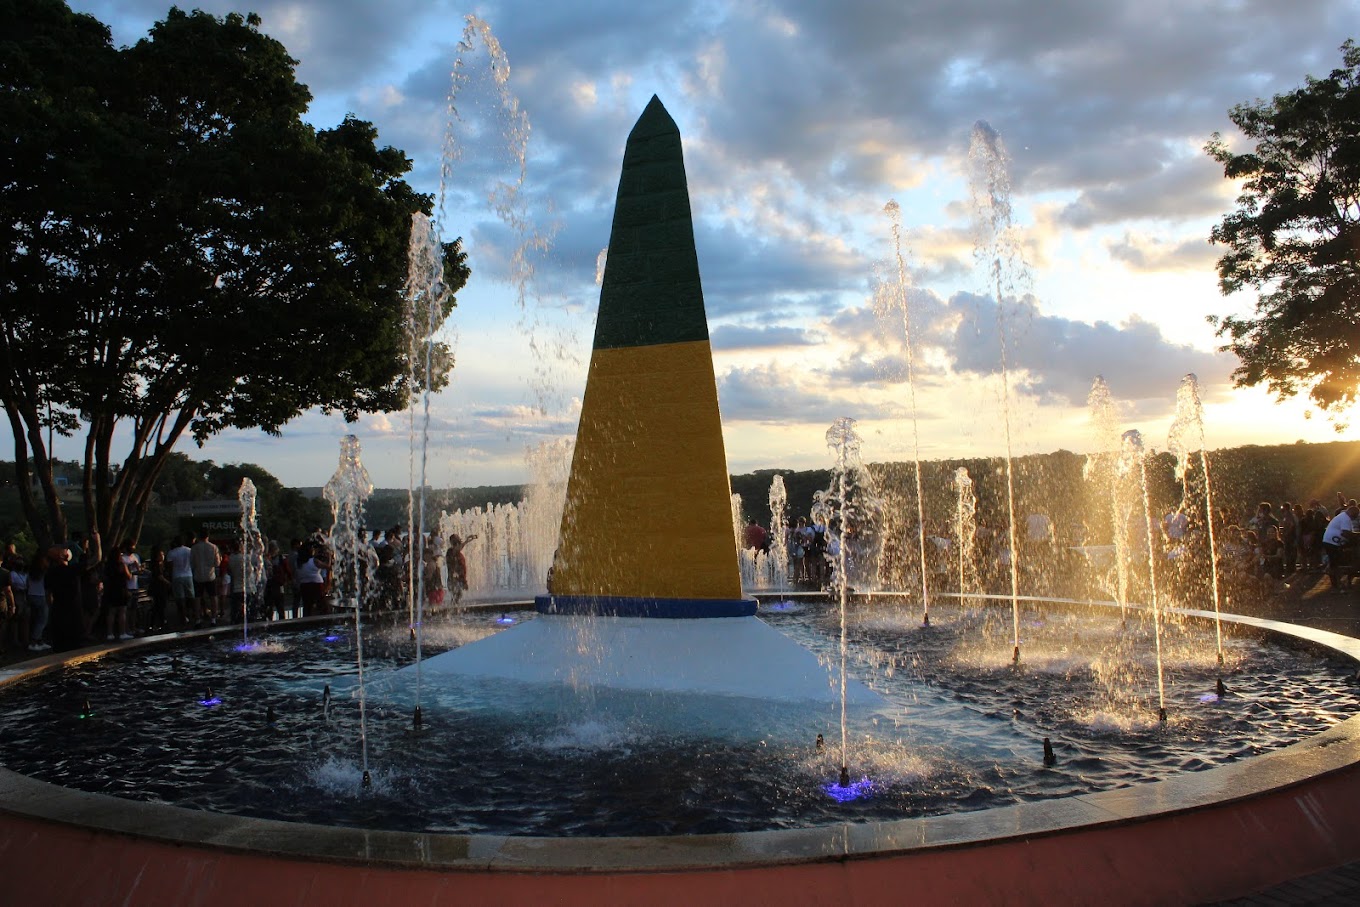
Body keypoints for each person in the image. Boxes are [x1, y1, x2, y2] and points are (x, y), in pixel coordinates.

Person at [1321, 502, 1359, 593]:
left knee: (1335, 563)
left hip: (1331, 541)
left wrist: (1356, 535)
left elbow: (1348, 532)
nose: (1355, 517)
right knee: (1335, 564)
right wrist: (1356, 537)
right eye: (1355, 515)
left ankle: (1336, 582)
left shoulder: (1343, 516)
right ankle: (1336, 586)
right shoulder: (1345, 518)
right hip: (1331, 542)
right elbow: (1345, 533)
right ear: (1352, 513)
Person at [190, 534, 221, 626]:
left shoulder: (194, 548)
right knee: (213, 597)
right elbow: (217, 563)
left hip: (198, 575)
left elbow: (191, 563)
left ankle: (198, 619)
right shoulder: (213, 547)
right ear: (207, 536)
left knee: (197, 598)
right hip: (210, 575)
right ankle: (213, 618)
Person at [166, 537, 194, 628]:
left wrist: (170, 577)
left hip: (177, 576)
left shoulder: (171, 553)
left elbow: (170, 567)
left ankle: (183, 617)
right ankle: (191, 614)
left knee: (180, 598)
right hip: (188, 575)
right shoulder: (189, 550)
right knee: (190, 596)